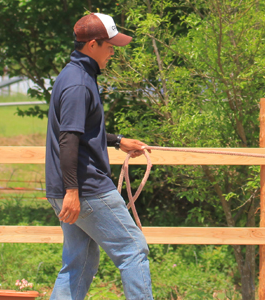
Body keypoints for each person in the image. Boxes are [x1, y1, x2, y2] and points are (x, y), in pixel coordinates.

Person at [45, 12, 153, 299]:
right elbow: (68, 140)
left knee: (79, 262)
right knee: (133, 250)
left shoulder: (73, 76)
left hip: (67, 188)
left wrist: (118, 141)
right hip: (86, 188)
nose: (112, 53)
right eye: (110, 46)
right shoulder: (79, 84)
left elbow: (78, 132)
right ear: (92, 45)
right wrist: (72, 191)